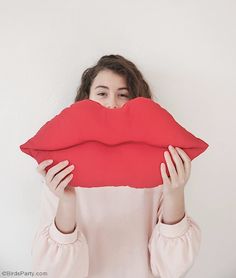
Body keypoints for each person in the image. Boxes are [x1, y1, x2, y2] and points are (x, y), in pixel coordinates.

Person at [32, 54, 201, 278]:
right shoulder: (61, 172)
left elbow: (172, 269)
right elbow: (53, 272)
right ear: (85, 100)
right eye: (102, 93)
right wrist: (66, 201)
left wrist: (174, 193)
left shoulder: (160, 167)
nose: (112, 103)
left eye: (124, 95)